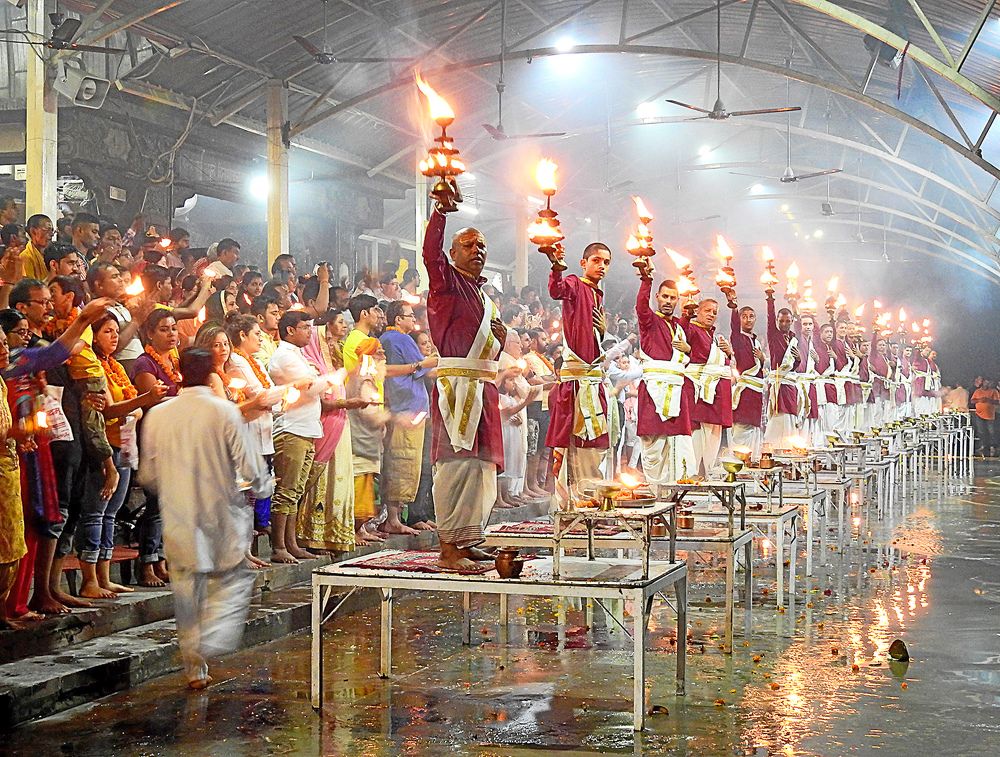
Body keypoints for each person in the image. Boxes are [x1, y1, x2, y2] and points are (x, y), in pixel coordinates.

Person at [139, 347, 272, 690]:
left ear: (181, 370)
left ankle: (194, 666)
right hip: (220, 511)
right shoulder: (223, 411)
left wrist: (174, 484)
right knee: (230, 578)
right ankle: (210, 641)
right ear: (212, 370)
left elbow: (148, 474)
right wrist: (261, 485)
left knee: (186, 589)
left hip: (178, 512)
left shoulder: (159, 415)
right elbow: (250, 466)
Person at [423, 203, 504, 570]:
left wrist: (499, 339)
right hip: (458, 390)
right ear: (453, 254)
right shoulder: (446, 283)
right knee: (455, 465)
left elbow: (485, 342)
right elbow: (429, 253)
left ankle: (469, 539)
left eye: (482, 246)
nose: (477, 251)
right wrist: (440, 212)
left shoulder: (484, 296)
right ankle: (448, 547)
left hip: (483, 387)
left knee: (480, 467)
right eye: (469, 246)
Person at [82, 314, 167, 595]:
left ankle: (104, 578)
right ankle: (90, 581)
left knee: (111, 514)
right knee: (96, 513)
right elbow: (108, 409)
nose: (115, 337)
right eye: (107, 331)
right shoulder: (94, 368)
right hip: (105, 447)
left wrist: (136, 405)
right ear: (94, 336)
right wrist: (144, 400)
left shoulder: (115, 365)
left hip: (125, 445)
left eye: (117, 331)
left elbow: (128, 407)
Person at [546, 243, 612, 506]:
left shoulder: (597, 294)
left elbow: (593, 341)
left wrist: (604, 331)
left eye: (606, 262)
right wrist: (556, 266)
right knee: (573, 448)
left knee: (594, 449)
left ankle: (593, 502)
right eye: (596, 260)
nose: (602, 266)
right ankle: (570, 506)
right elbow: (556, 290)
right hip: (576, 385)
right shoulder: (575, 283)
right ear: (583, 263)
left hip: (592, 383)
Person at [298, 312, 370, 551]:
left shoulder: (334, 359)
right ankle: (314, 535)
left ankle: (335, 535)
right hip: (323, 424)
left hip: (340, 423)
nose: (331, 343)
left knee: (340, 477)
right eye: (338, 324)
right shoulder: (310, 363)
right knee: (323, 480)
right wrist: (347, 404)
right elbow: (320, 401)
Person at [267, 310, 327, 564]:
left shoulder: (297, 355)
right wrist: (335, 378)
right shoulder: (284, 356)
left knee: (296, 490)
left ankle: (290, 543)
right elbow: (312, 388)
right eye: (305, 327)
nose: (310, 332)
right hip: (291, 428)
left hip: (305, 427)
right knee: (286, 489)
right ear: (290, 330)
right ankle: (279, 546)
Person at [130, 308, 182, 587]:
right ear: (150, 333)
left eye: (174, 328)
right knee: (155, 505)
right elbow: (152, 402)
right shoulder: (143, 363)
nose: (171, 333)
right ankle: (147, 563)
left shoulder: (175, 361)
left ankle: (161, 560)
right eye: (164, 329)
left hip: (177, 440)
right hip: (155, 441)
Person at [379, 299, 437, 534]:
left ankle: (397, 516)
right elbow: (423, 367)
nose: (414, 319)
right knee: (401, 462)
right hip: (405, 408)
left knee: (409, 463)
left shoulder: (394, 339)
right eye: (409, 315)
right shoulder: (396, 339)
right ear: (398, 319)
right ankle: (393, 517)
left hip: (409, 407)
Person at [634, 274, 695, 488]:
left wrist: (689, 348)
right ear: (657, 297)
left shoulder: (678, 325)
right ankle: (654, 490)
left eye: (673, 298)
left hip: (676, 391)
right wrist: (646, 279)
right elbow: (641, 306)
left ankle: (675, 494)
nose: (669, 301)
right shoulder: (649, 320)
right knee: (653, 444)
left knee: (676, 443)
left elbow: (687, 347)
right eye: (665, 297)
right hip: (653, 389)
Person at [683, 298, 733, 475]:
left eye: (714, 312)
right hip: (700, 392)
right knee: (698, 437)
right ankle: (693, 475)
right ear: (697, 311)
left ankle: (707, 473)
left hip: (717, 394)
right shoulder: (692, 329)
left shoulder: (712, 335)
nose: (712, 314)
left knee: (713, 438)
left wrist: (728, 352)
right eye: (707, 310)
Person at [727, 296, 765, 456]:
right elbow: (734, 327)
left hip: (757, 392)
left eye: (751, 316)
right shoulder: (738, 338)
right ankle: (738, 462)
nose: (748, 320)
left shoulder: (756, 341)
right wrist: (734, 307)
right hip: (745, 392)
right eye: (744, 316)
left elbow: (759, 367)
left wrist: (762, 358)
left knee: (755, 429)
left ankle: (753, 460)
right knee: (742, 428)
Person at [763, 292, 801, 446]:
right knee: (778, 417)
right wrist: (771, 296)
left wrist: (798, 359)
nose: (784, 324)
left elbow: (794, 366)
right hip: (778, 383)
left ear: (791, 321)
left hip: (790, 385)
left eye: (787, 321)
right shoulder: (773, 334)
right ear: (777, 321)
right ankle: (774, 448)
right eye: (781, 321)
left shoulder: (793, 338)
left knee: (791, 417)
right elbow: (769, 316)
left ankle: (790, 447)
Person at [20, 214, 53, 282]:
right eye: (47, 230)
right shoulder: (26, 256)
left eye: (52, 230)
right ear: (33, 231)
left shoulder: (50, 253)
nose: (51, 234)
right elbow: (30, 287)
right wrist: (52, 276)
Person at [971, 378, 998, 456]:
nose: (987, 384)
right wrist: (980, 400)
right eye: (985, 383)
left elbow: (997, 401)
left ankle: (992, 446)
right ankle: (983, 445)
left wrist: (988, 400)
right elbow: (972, 401)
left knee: (991, 431)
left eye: (988, 383)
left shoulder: (993, 391)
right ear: (983, 383)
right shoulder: (978, 391)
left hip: (990, 415)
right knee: (981, 431)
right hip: (979, 414)